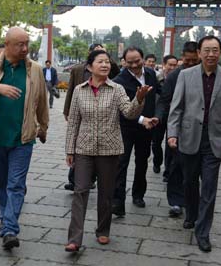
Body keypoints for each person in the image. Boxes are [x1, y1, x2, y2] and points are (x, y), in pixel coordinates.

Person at [64, 50, 150, 252]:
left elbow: (129, 113)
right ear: (89, 67)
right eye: (100, 62)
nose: (105, 65)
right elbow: (74, 121)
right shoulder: (79, 90)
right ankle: (74, 238)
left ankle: (103, 230)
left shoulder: (117, 89)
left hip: (109, 148)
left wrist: (139, 99)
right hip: (84, 148)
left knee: (106, 192)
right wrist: (70, 150)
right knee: (80, 190)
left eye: (107, 62)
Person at [0, 27, 49, 250]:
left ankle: (9, 229)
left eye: (27, 44)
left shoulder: (35, 69)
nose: (25, 48)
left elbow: (42, 101)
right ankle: (6, 218)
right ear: (7, 45)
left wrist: (43, 127)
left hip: (23, 138)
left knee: (16, 184)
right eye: (19, 44)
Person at [167, 36, 221, 252]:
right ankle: (191, 214)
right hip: (189, 137)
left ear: (220, 52)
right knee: (189, 181)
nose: (211, 54)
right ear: (199, 53)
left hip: (214, 140)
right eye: (206, 50)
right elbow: (177, 107)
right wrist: (172, 133)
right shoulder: (185, 75)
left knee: (209, 186)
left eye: (215, 50)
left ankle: (203, 232)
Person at [62, 43, 120, 191]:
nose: (103, 63)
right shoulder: (77, 69)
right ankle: (75, 179)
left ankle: (90, 178)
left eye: (104, 57)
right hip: (82, 111)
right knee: (80, 147)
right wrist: (67, 111)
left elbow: (116, 72)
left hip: (102, 114)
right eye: (96, 54)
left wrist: (107, 57)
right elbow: (71, 91)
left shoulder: (109, 71)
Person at [112, 46, 160, 215]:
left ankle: (138, 194)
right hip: (125, 128)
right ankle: (117, 202)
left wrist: (156, 116)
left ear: (143, 59)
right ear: (124, 62)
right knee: (121, 164)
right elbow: (121, 109)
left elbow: (159, 96)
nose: (134, 65)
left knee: (142, 162)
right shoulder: (119, 81)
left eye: (137, 61)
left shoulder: (151, 74)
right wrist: (141, 119)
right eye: (129, 62)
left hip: (147, 128)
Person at [155, 42, 200, 216]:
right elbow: (164, 100)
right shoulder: (175, 76)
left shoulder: (206, 74)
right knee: (176, 164)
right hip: (178, 127)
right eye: (187, 60)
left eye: (194, 60)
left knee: (195, 168)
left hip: (199, 128)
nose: (190, 63)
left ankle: (192, 199)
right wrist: (159, 118)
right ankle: (175, 201)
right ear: (182, 56)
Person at [151, 54, 178, 174]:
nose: (172, 67)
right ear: (164, 65)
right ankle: (157, 162)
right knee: (156, 142)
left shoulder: (180, 78)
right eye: (170, 65)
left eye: (175, 65)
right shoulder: (156, 78)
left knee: (170, 143)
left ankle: (168, 169)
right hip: (159, 114)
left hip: (173, 115)